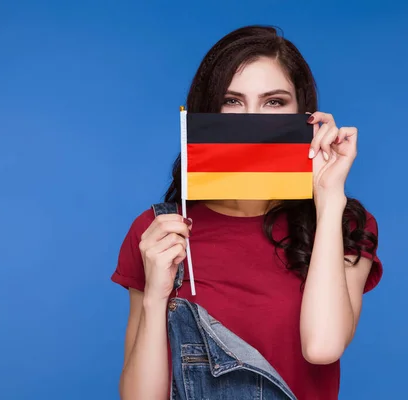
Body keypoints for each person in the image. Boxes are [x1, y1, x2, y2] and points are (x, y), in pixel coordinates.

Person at [111, 25, 383, 400]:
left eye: (274, 102)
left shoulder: (344, 224)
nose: (252, 121)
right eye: (233, 101)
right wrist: (157, 296)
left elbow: (323, 348)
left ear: (305, 113)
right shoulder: (160, 230)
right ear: (207, 111)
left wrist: (329, 198)